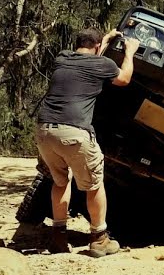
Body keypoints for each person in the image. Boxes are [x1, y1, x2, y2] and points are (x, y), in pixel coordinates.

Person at [35, 26, 138, 257]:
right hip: (74, 133)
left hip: (44, 131)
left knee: (60, 182)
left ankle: (58, 238)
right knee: (93, 184)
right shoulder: (103, 65)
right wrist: (129, 52)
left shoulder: (62, 58)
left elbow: (89, 62)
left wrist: (107, 38)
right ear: (98, 46)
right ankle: (99, 239)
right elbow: (124, 79)